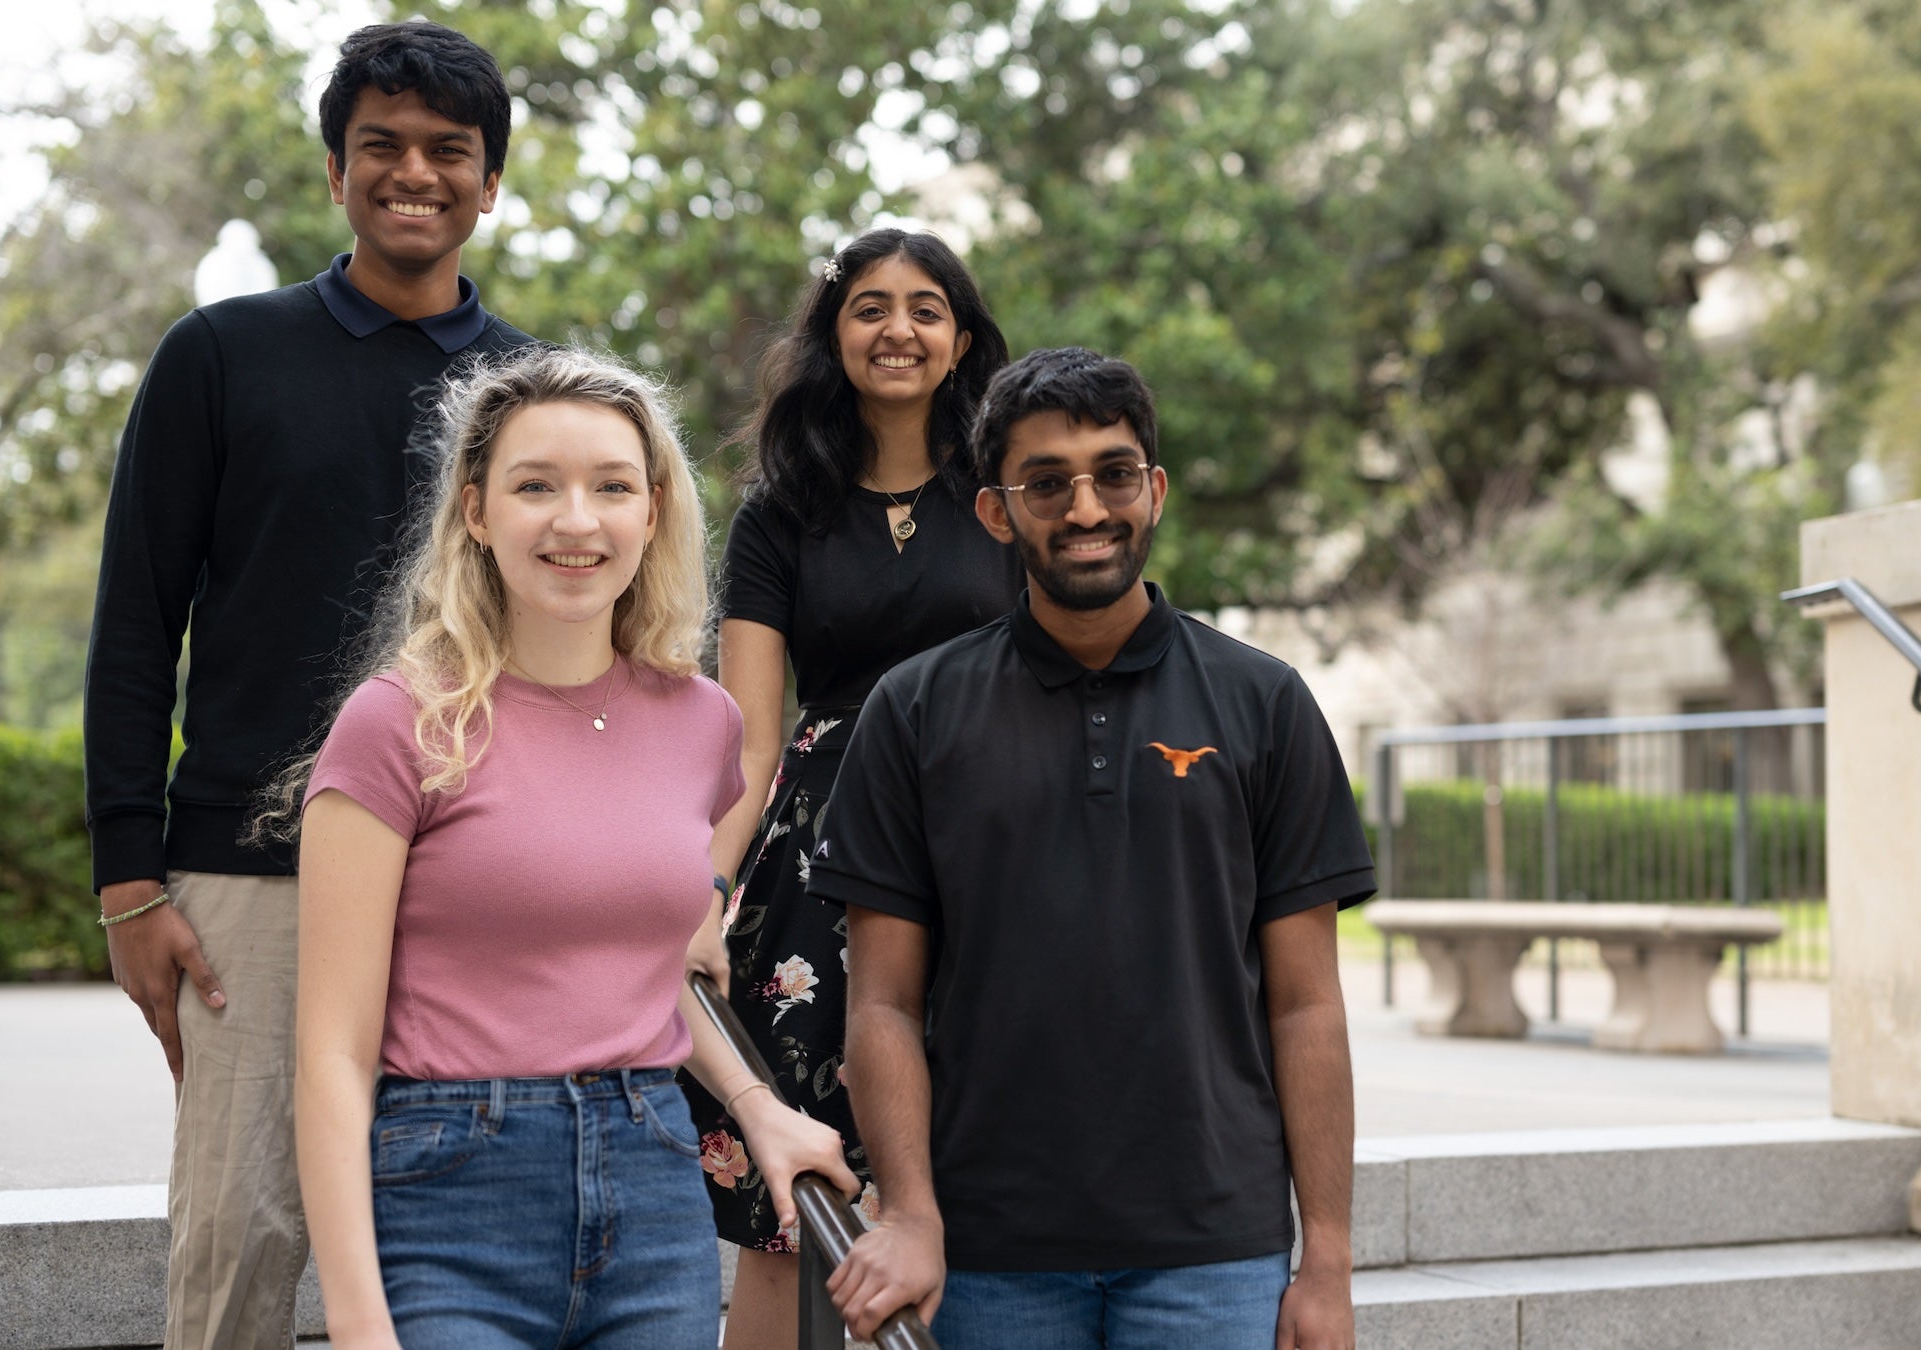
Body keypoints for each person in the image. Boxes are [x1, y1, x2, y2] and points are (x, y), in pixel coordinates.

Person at [81, 21, 534, 1347]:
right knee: (242, 1241)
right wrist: (129, 879)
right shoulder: (219, 357)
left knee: (446, 1248)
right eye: (381, 145)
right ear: (336, 171)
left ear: (489, 182)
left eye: (448, 151)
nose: (414, 173)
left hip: (470, 874)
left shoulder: (526, 389)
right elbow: (132, 628)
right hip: (250, 871)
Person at [284, 346, 856, 1349]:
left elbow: (644, 968)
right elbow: (331, 1054)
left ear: (653, 509)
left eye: (611, 487)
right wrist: (356, 1320)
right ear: (476, 513)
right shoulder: (397, 724)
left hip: (652, 1186)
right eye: (535, 485)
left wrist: (759, 1108)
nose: (576, 520)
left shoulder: (703, 724)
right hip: (451, 1191)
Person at [813, 347, 1376, 1350]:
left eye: (1113, 474)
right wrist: (909, 1211)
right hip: (990, 1251)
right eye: (1046, 483)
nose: (1085, 509)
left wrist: (1325, 1262)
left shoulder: (1265, 702)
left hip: (1216, 1250)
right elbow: (883, 1002)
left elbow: (1306, 1004)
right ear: (997, 511)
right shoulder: (913, 710)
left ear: (1152, 491)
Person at [685, 228, 1013, 1347]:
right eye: (870, 306)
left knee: (964, 1177)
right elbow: (750, 736)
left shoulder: (1005, 497)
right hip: (818, 864)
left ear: (961, 338)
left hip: (984, 842)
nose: (898, 328)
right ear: (834, 334)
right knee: (793, 1211)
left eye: (926, 308)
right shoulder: (780, 512)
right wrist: (705, 886)